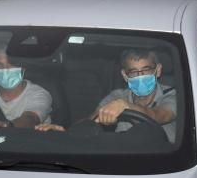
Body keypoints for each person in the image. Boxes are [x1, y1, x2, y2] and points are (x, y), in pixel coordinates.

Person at [37, 48, 177, 141]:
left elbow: (160, 115)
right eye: (133, 72)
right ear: (125, 75)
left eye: (146, 70)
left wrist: (125, 107)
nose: (140, 76)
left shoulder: (172, 94)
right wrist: (66, 133)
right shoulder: (117, 96)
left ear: (158, 70)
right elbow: (92, 119)